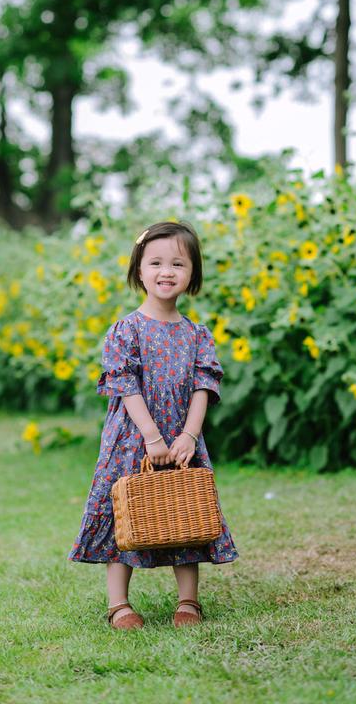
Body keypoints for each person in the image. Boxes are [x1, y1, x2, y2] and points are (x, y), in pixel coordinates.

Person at [67, 219, 239, 629]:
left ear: (192, 273)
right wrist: (151, 436)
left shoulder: (197, 335)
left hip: (182, 440)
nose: (167, 272)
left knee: (186, 511)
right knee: (123, 514)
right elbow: (125, 386)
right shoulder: (126, 330)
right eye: (156, 263)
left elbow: (203, 386)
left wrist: (189, 436)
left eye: (178, 264)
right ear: (139, 271)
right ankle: (119, 604)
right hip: (133, 437)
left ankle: (188, 601)